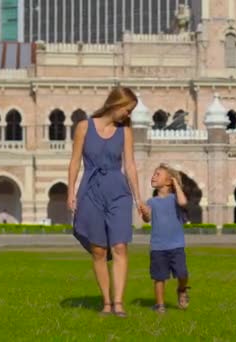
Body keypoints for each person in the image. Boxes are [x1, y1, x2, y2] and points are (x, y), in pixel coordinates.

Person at [67, 87, 142, 317]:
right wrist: (70, 192)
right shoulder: (84, 127)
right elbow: (75, 162)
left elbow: (129, 165)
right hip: (90, 191)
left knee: (119, 245)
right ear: (116, 105)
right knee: (98, 250)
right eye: (127, 110)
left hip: (118, 191)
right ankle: (107, 303)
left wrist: (138, 198)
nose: (128, 115)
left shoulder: (125, 132)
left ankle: (118, 303)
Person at [140, 164, 190, 314]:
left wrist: (175, 183)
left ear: (169, 181)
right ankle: (160, 305)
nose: (153, 176)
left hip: (176, 245)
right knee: (159, 277)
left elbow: (183, 202)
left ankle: (181, 289)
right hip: (158, 247)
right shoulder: (151, 201)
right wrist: (145, 212)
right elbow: (147, 218)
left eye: (158, 174)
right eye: (153, 174)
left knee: (182, 273)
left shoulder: (176, 198)